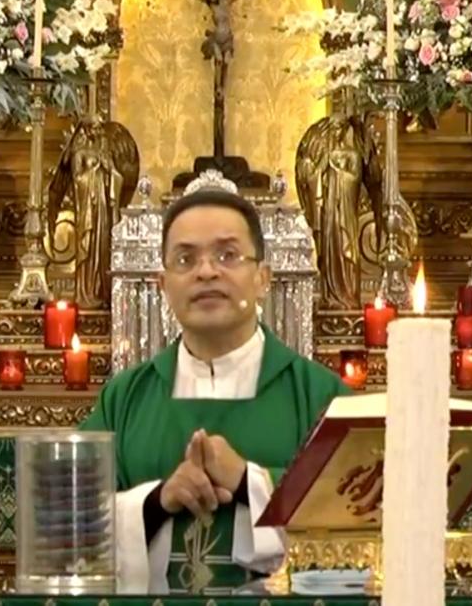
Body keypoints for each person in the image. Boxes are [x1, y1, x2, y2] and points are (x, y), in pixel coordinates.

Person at [80, 187, 349, 595]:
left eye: (227, 255)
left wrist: (247, 482)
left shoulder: (321, 396)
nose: (206, 272)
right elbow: (65, 523)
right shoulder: (124, 399)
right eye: (185, 259)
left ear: (263, 279)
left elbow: (361, 525)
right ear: (163, 284)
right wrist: (156, 501)